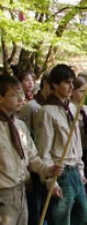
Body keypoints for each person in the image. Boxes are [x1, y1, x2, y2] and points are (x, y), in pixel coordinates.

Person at [0, 75, 62, 225]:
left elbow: (32, 157)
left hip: (21, 192)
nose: (21, 99)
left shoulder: (19, 125)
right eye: (14, 95)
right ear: (1, 98)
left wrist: (48, 169)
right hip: (3, 195)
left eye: (21, 94)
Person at [34, 64, 87, 225]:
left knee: (83, 219)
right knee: (62, 220)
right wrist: (51, 181)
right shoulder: (46, 112)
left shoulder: (72, 108)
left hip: (75, 172)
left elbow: (76, 142)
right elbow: (44, 150)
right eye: (66, 82)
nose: (71, 87)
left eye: (72, 82)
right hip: (61, 173)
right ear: (54, 85)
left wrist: (80, 169)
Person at [18, 71, 52, 225]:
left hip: (46, 164)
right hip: (31, 171)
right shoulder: (31, 107)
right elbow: (26, 142)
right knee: (35, 212)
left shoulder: (53, 108)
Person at [71, 76, 87, 223]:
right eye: (81, 91)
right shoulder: (70, 110)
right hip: (77, 154)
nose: (84, 94)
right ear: (72, 91)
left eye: (86, 91)